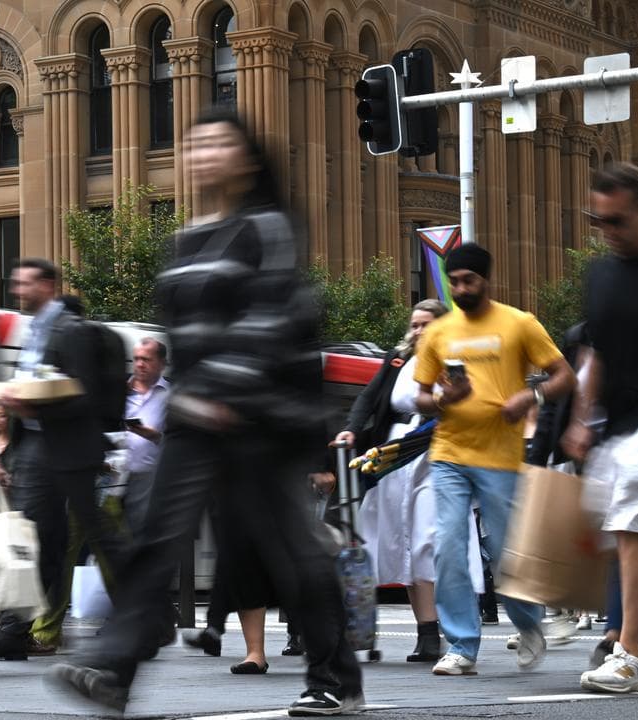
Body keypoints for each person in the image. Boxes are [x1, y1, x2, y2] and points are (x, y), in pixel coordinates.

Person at [50, 108, 362, 717]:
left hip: (259, 418)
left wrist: (225, 391)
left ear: (247, 158)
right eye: (195, 145)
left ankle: (335, 677)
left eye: (219, 144)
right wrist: (191, 396)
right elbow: (182, 335)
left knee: (290, 547)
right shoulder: (184, 238)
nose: (204, 154)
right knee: (155, 537)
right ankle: (115, 670)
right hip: (196, 415)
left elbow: (270, 320)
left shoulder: (267, 227)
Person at [412, 243, 575, 676]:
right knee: (448, 545)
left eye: (469, 280)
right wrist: (444, 397)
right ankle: (462, 646)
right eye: (454, 281)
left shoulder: (519, 323)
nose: (461, 288)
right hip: (448, 452)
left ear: (486, 279)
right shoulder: (438, 333)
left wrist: (529, 395)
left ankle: (528, 624)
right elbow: (421, 396)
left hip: (500, 457)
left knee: (505, 555)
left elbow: (564, 375)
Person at [0, 259, 126, 662]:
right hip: (38, 447)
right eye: (15, 282)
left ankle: (148, 610)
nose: (18, 290)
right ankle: (15, 628)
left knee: (84, 535)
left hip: (64, 445)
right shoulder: (35, 328)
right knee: (37, 540)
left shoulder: (69, 331)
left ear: (50, 285)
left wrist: (33, 406)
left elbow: (83, 395)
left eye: (26, 283)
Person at [563, 163, 638, 693]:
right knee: (634, 537)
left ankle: (628, 653)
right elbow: (595, 352)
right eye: (598, 221)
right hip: (618, 426)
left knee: (633, 524)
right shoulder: (600, 274)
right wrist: (583, 420)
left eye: (617, 220)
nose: (608, 231)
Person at [334, 299, 483, 664]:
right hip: (395, 455)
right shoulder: (397, 359)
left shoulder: (459, 363)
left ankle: (448, 629)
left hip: (437, 455)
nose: (417, 331)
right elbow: (369, 398)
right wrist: (351, 431)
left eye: (426, 325)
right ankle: (426, 634)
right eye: (414, 325)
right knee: (402, 542)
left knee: (426, 541)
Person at [122, 338, 168, 536]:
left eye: (146, 359)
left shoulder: (170, 396)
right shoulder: (120, 391)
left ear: (162, 364)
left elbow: (178, 442)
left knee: (140, 535)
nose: (140, 364)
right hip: (114, 478)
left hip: (149, 482)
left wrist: (156, 436)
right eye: (136, 359)